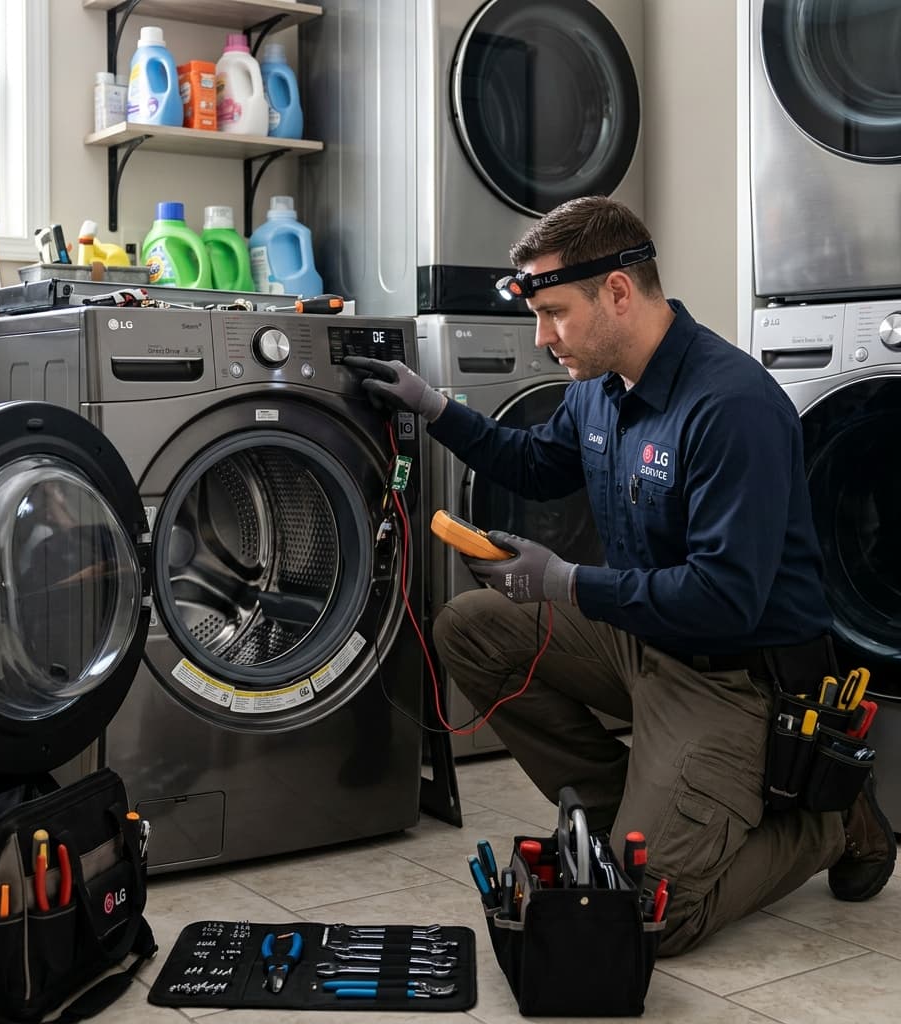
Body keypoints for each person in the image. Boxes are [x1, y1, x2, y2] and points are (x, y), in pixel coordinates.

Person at [344, 195, 896, 955]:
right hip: (642, 640)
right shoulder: (603, 388)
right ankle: (625, 816)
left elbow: (725, 600)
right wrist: (434, 406)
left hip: (735, 677)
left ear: (616, 292)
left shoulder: (731, 408)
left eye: (555, 314)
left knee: (650, 917)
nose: (543, 339)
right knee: (469, 629)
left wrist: (564, 581)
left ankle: (832, 826)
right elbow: (537, 466)